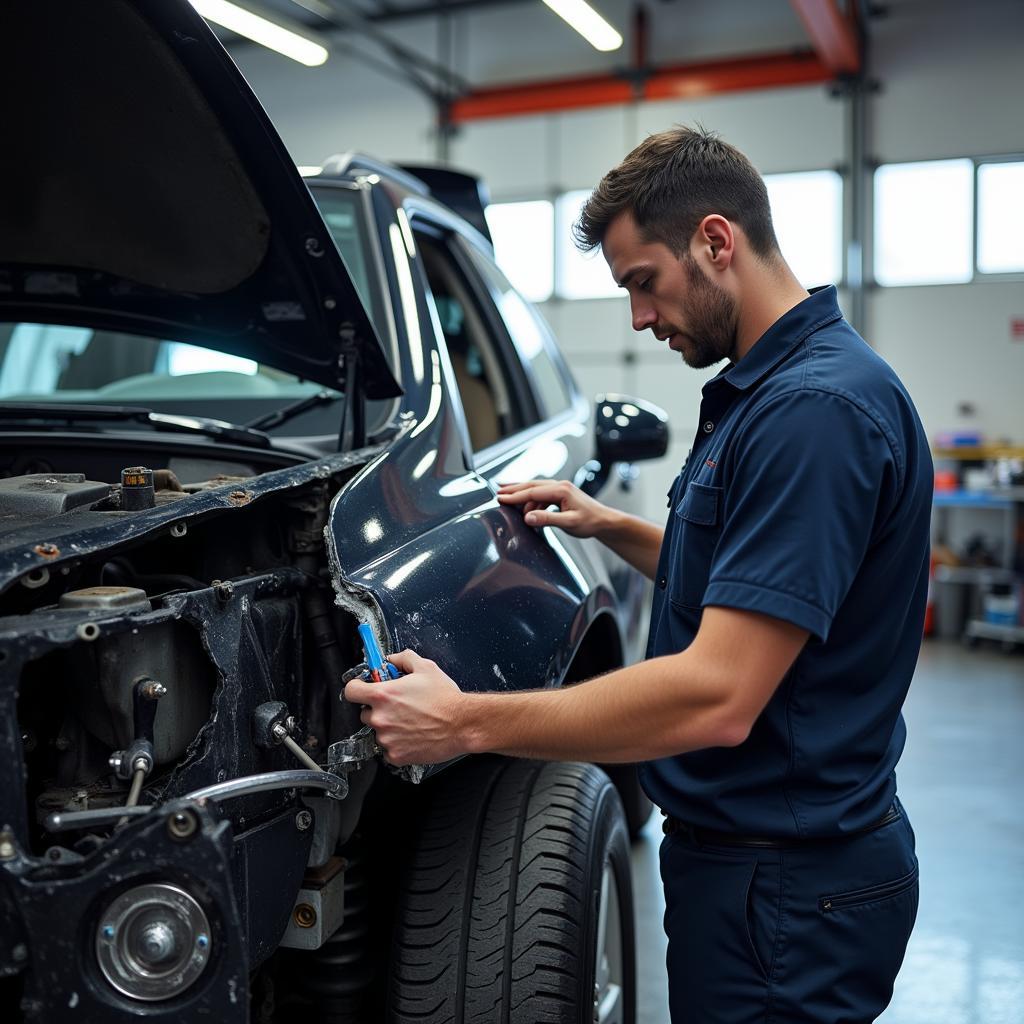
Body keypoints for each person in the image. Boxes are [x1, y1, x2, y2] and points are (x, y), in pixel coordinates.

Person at [345, 125, 932, 1023]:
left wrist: (462, 722)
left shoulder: (813, 414)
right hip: (764, 869)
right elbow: (759, 584)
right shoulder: (777, 391)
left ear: (715, 241)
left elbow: (719, 694)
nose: (639, 317)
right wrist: (609, 526)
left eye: (641, 282)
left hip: (786, 892)